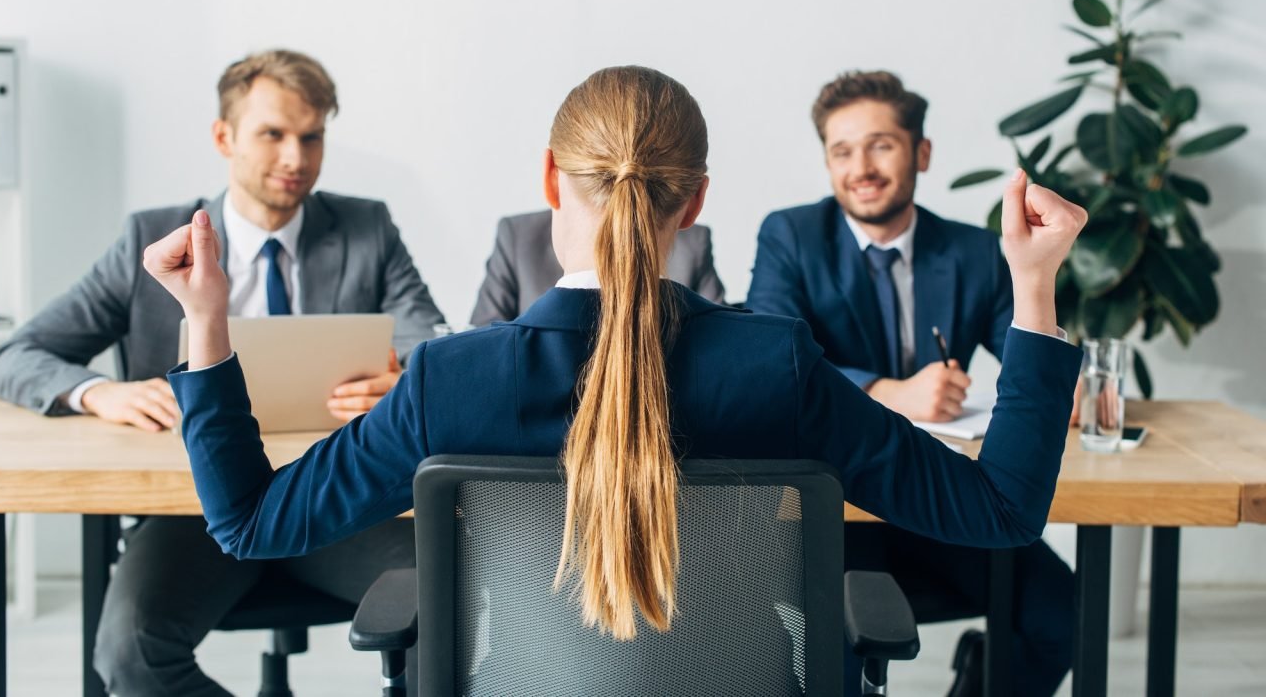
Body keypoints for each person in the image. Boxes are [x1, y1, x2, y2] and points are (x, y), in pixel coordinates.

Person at [146, 66, 1086, 696]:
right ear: (698, 198)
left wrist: (205, 322)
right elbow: (1002, 511)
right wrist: (1034, 290)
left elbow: (249, 523)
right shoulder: (777, 365)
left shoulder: (449, 380)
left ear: (552, 181)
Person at [0, 49, 444, 696]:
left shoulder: (366, 228)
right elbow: (14, 355)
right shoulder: (150, 238)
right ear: (223, 138)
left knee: (450, 605)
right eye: (273, 135)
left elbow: (429, 337)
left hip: (334, 500)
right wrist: (97, 392)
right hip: (192, 516)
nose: (296, 158)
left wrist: (404, 381)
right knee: (129, 650)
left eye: (312, 137)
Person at [745, 69, 1074, 697]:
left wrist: (1053, 344)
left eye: (881, 145)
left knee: (1059, 608)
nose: (860, 167)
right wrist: (884, 391)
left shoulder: (977, 252)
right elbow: (765, 360)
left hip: (938, 503)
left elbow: (1028, 351)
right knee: (831, 646)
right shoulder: (790, 235)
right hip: (832, 516)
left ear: (921, 152)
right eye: (841, 151)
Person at [469, 208, 725, 325]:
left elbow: (720, 339)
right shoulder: (518, 237)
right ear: (697, 197)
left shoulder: (693, 244)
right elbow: (482, 340)